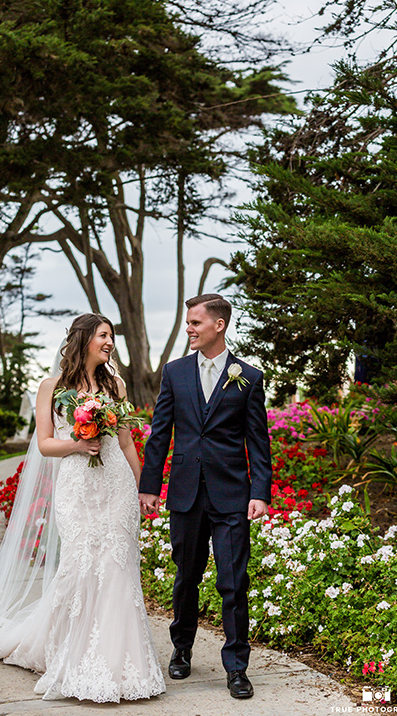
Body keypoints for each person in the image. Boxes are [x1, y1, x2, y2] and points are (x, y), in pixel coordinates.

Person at [0, 313, 165, 703]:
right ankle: (71, 650)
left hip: (115, 483)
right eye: (103, 335)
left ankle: (123, 661)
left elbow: (129, 442)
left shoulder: (116, 384)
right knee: (80, 564)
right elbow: (46, 443)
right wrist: (78, 445)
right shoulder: (52, 386)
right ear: (83, 339)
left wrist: (144, 487)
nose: (110, 341)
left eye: (112, 335)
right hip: (78, 486)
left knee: (118, 564)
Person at [139, 294, 272, 700]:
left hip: (231, 495)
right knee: (186, 578)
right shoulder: (175, 373)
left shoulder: (247, 376)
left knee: (233, 582)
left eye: (196, 322)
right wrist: (149, 485)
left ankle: (236, 667)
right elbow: (161, 432)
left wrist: (260, 492)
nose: (189, 329)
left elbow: (258, 441)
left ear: (219, 325)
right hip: (184, 493)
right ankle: (181, 649)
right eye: (187, 322)